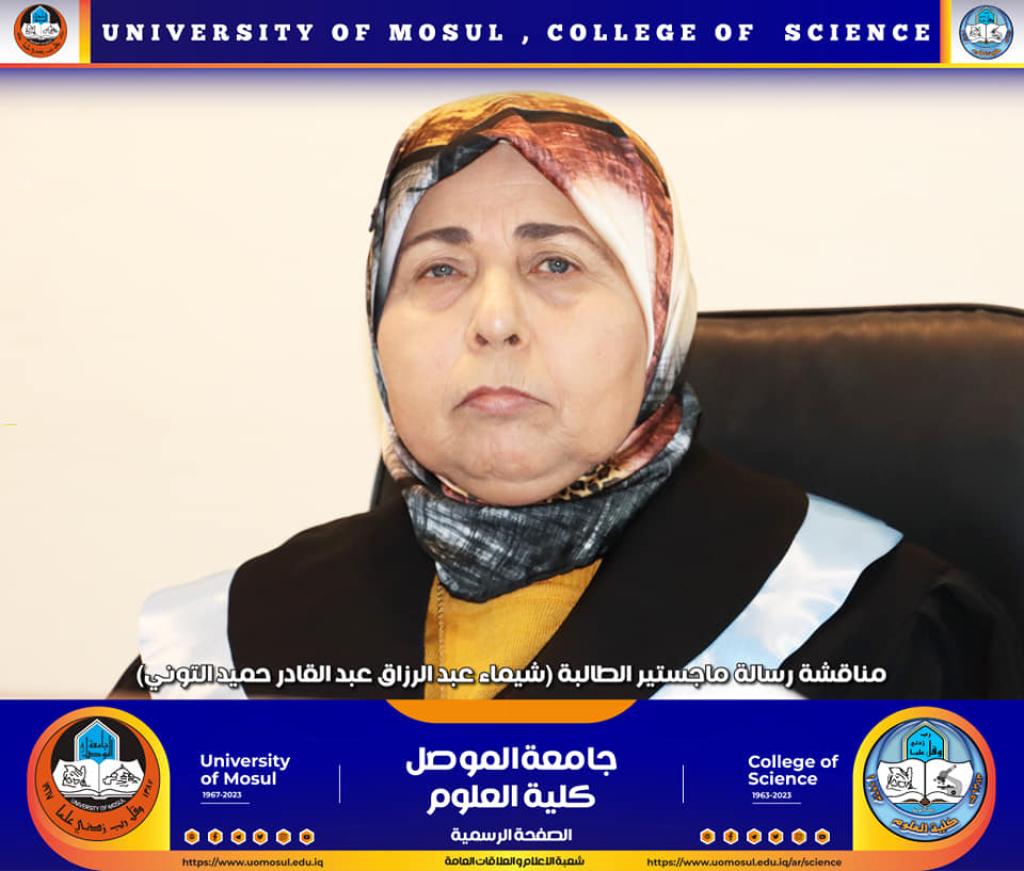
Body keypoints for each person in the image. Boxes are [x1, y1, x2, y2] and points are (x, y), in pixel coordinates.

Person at [110, 91, 1023, 701]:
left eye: (556, 263)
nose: (494, 320)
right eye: (438, 269)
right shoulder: (221, 654)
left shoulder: (877, 630)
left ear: (656, 320)